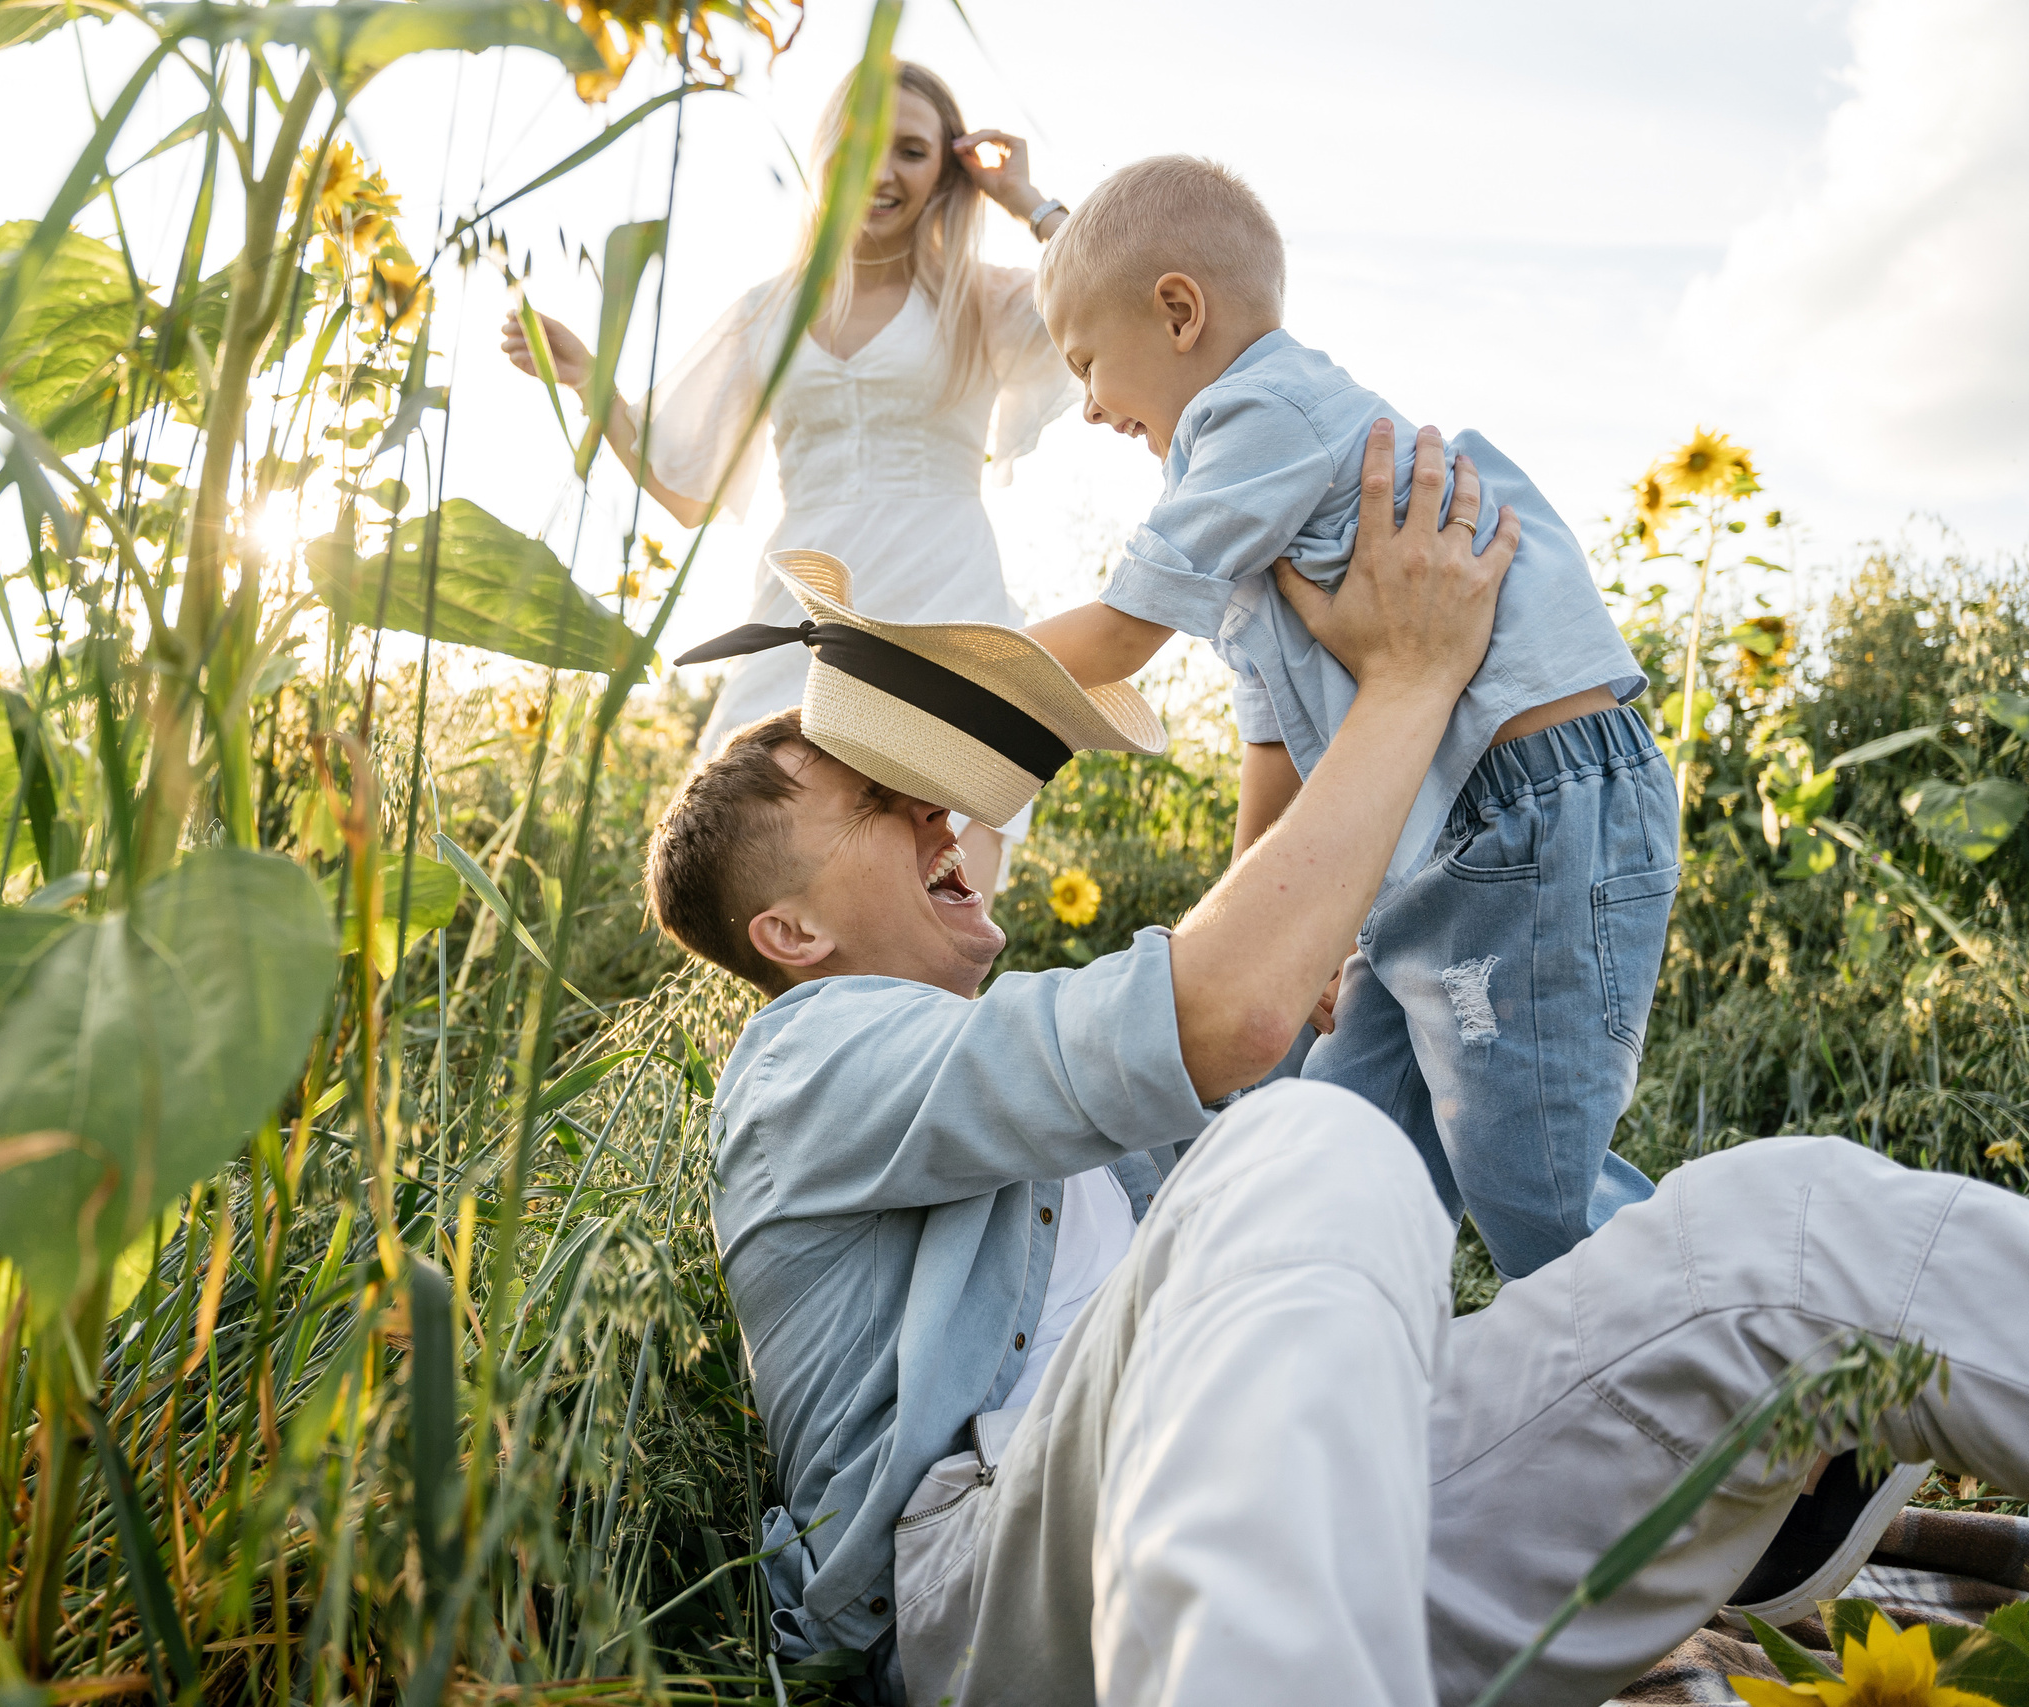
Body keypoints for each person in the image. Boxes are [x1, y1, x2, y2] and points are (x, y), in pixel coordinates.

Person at [644, 433, 2029, 1706]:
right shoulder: (801, 1059)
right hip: (981, 1591)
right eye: (881, 800)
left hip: (1318, 1483)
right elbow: (1233, 1019)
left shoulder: (1014, 1097)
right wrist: (1411, 677)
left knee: (1791, 1228)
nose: (939, 808)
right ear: (792, 931)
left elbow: (1265, 1023)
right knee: (1308, 1149)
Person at [1019, 156, 1680, 1282]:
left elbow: (1125, 634)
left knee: (1530, 1179)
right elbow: (1272, 745)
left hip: (1529, 809)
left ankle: (1798, 1415)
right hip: (1432, 840)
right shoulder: (1253, 494)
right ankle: (1351, 1408)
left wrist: (930, 667)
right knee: (1328, 1154)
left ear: (1178, 311)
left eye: (1085, 363)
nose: (1084, 404)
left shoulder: (1259, 412)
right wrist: (1281, 937)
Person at [502, 61, 1079, 890]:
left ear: (945, 172)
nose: (881, 170)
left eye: (911, 150)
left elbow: (1115, 291)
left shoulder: (981, 299)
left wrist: (1026, 199)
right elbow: (687, 490)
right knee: (761, 872)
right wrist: (591, 381)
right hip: (802, 615)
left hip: (946, 604)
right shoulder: (764, 313)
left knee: (942, 890)